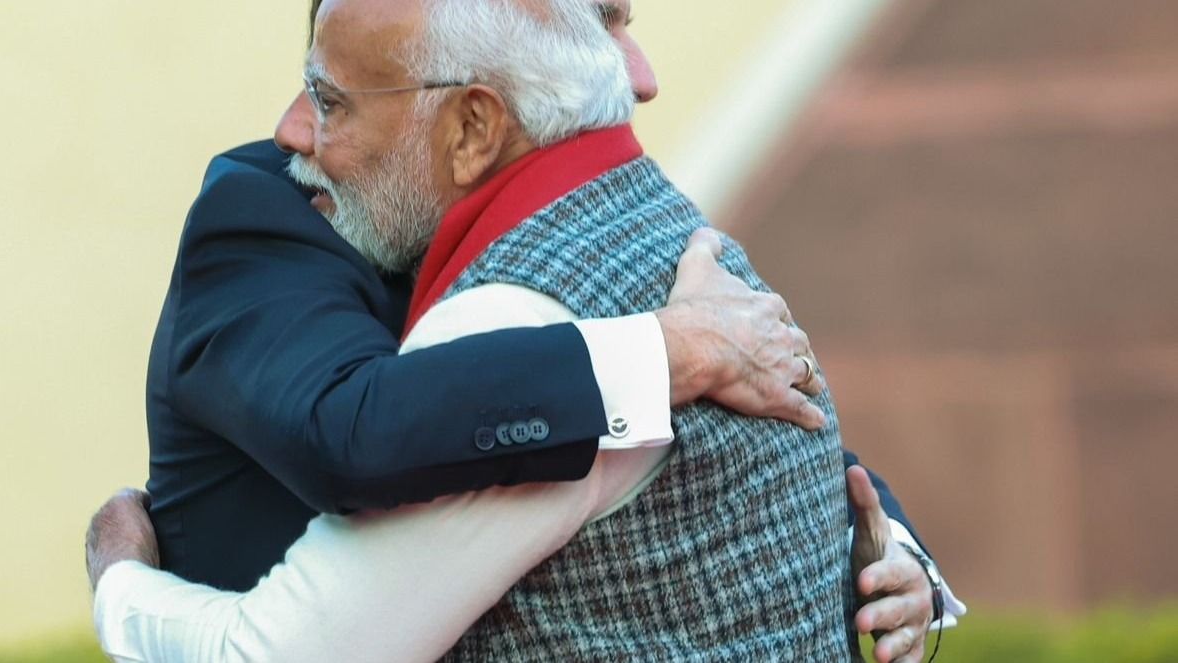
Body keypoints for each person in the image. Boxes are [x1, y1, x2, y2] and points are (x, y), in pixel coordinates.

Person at [87, 0, 964, 661]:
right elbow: (357, 428)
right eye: (599, 20)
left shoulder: (561, 285)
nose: (640, 74)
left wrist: (890, 552)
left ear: (474, 127)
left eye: (606, 23)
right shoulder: (674, 261)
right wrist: (667, 352)